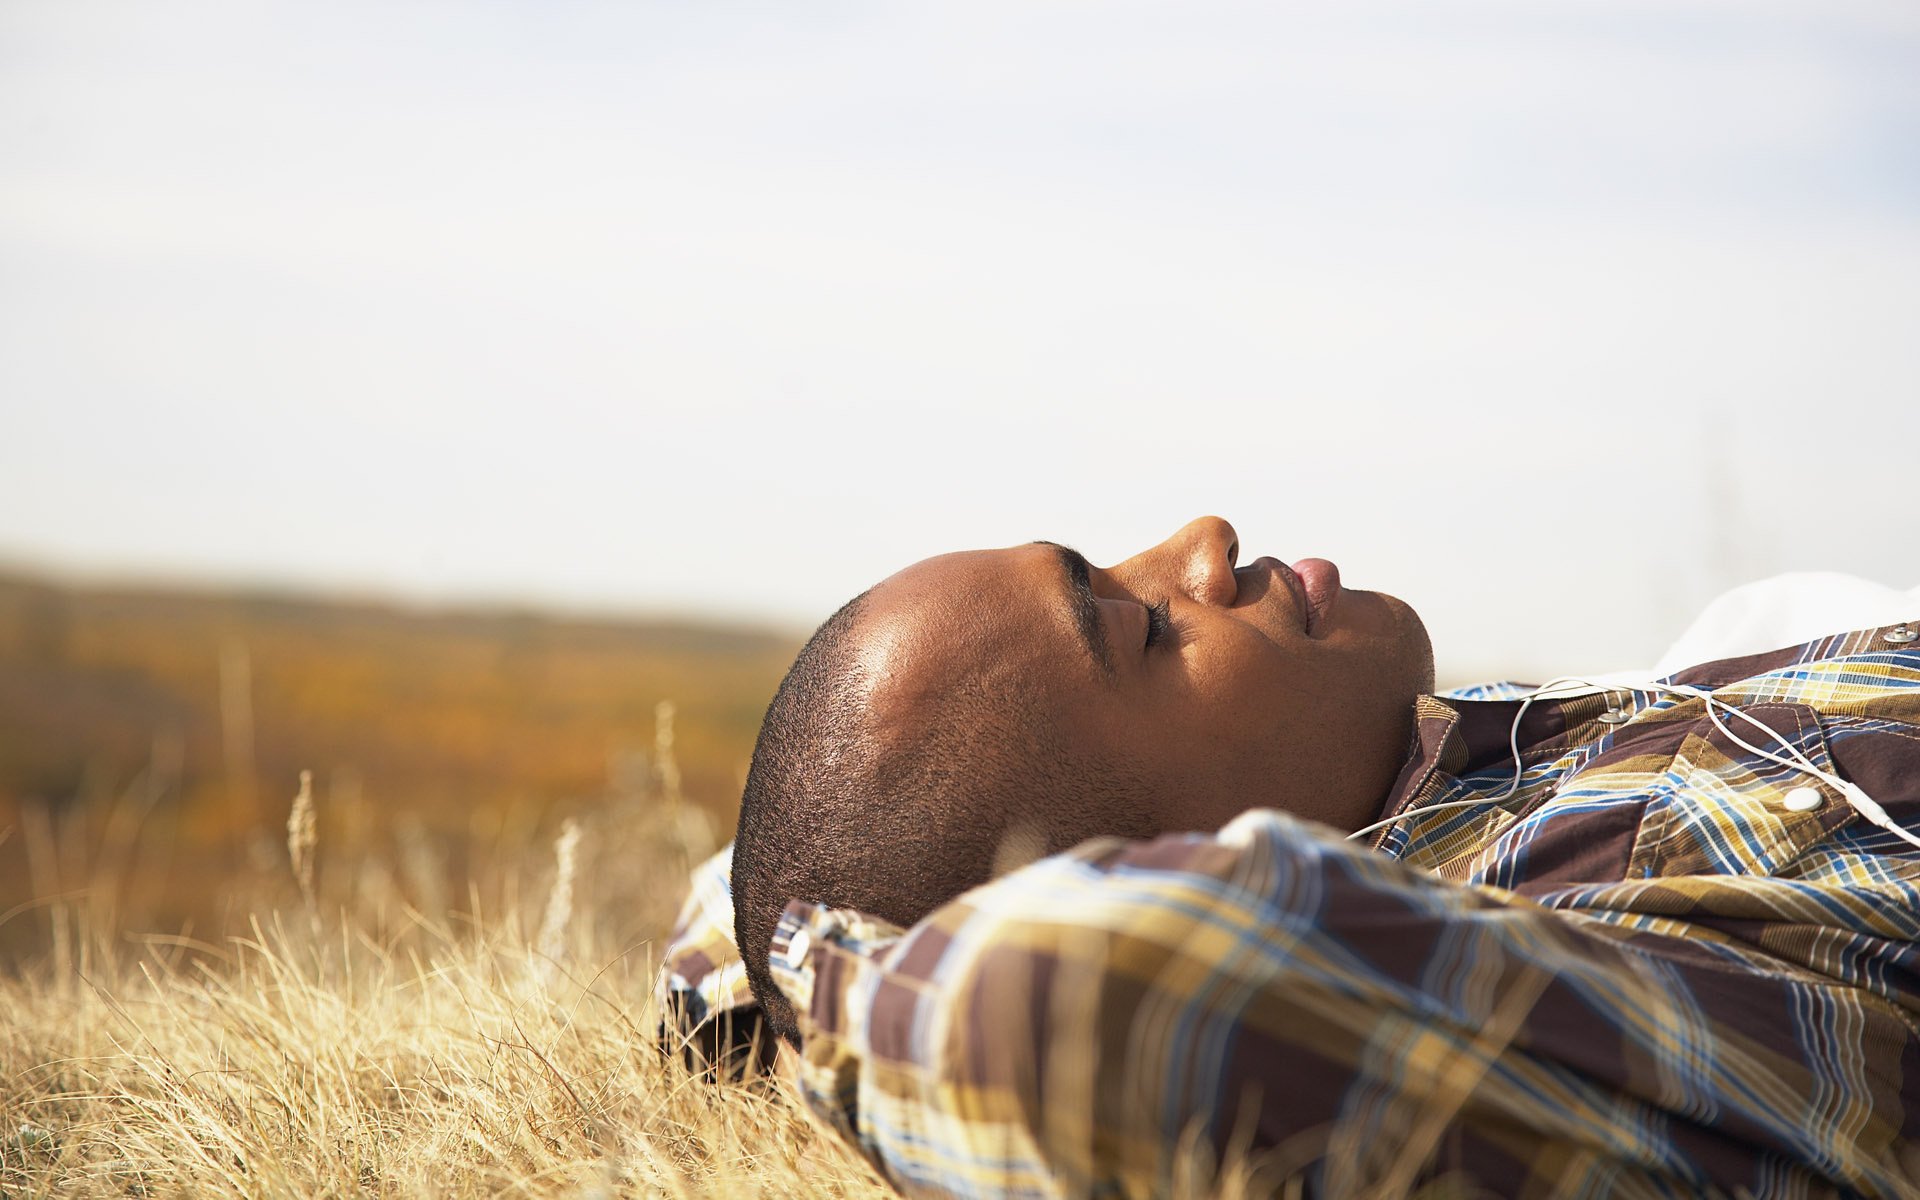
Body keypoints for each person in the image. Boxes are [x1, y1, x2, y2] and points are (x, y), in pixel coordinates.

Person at [659, 517, 1920, 1198]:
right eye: (1143, 626)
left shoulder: (1430, 767)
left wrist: (766, 957)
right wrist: (818, 979)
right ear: (1156, 859)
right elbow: (1091, 993)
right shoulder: (1562, 939)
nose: (1205, 541)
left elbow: (757, 874)